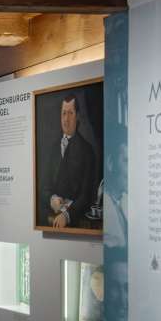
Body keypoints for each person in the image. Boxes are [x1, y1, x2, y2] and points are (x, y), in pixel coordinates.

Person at [40, 94, 99, 230]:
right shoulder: (52, 148)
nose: (66, 119)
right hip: (50, 217)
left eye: (70, 113)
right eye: (64, 113)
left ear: (77, 116)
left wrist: (67, 215)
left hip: (76, 220)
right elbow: (43, 187)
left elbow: (87, 195)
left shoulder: (87, 151)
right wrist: (52, 199)